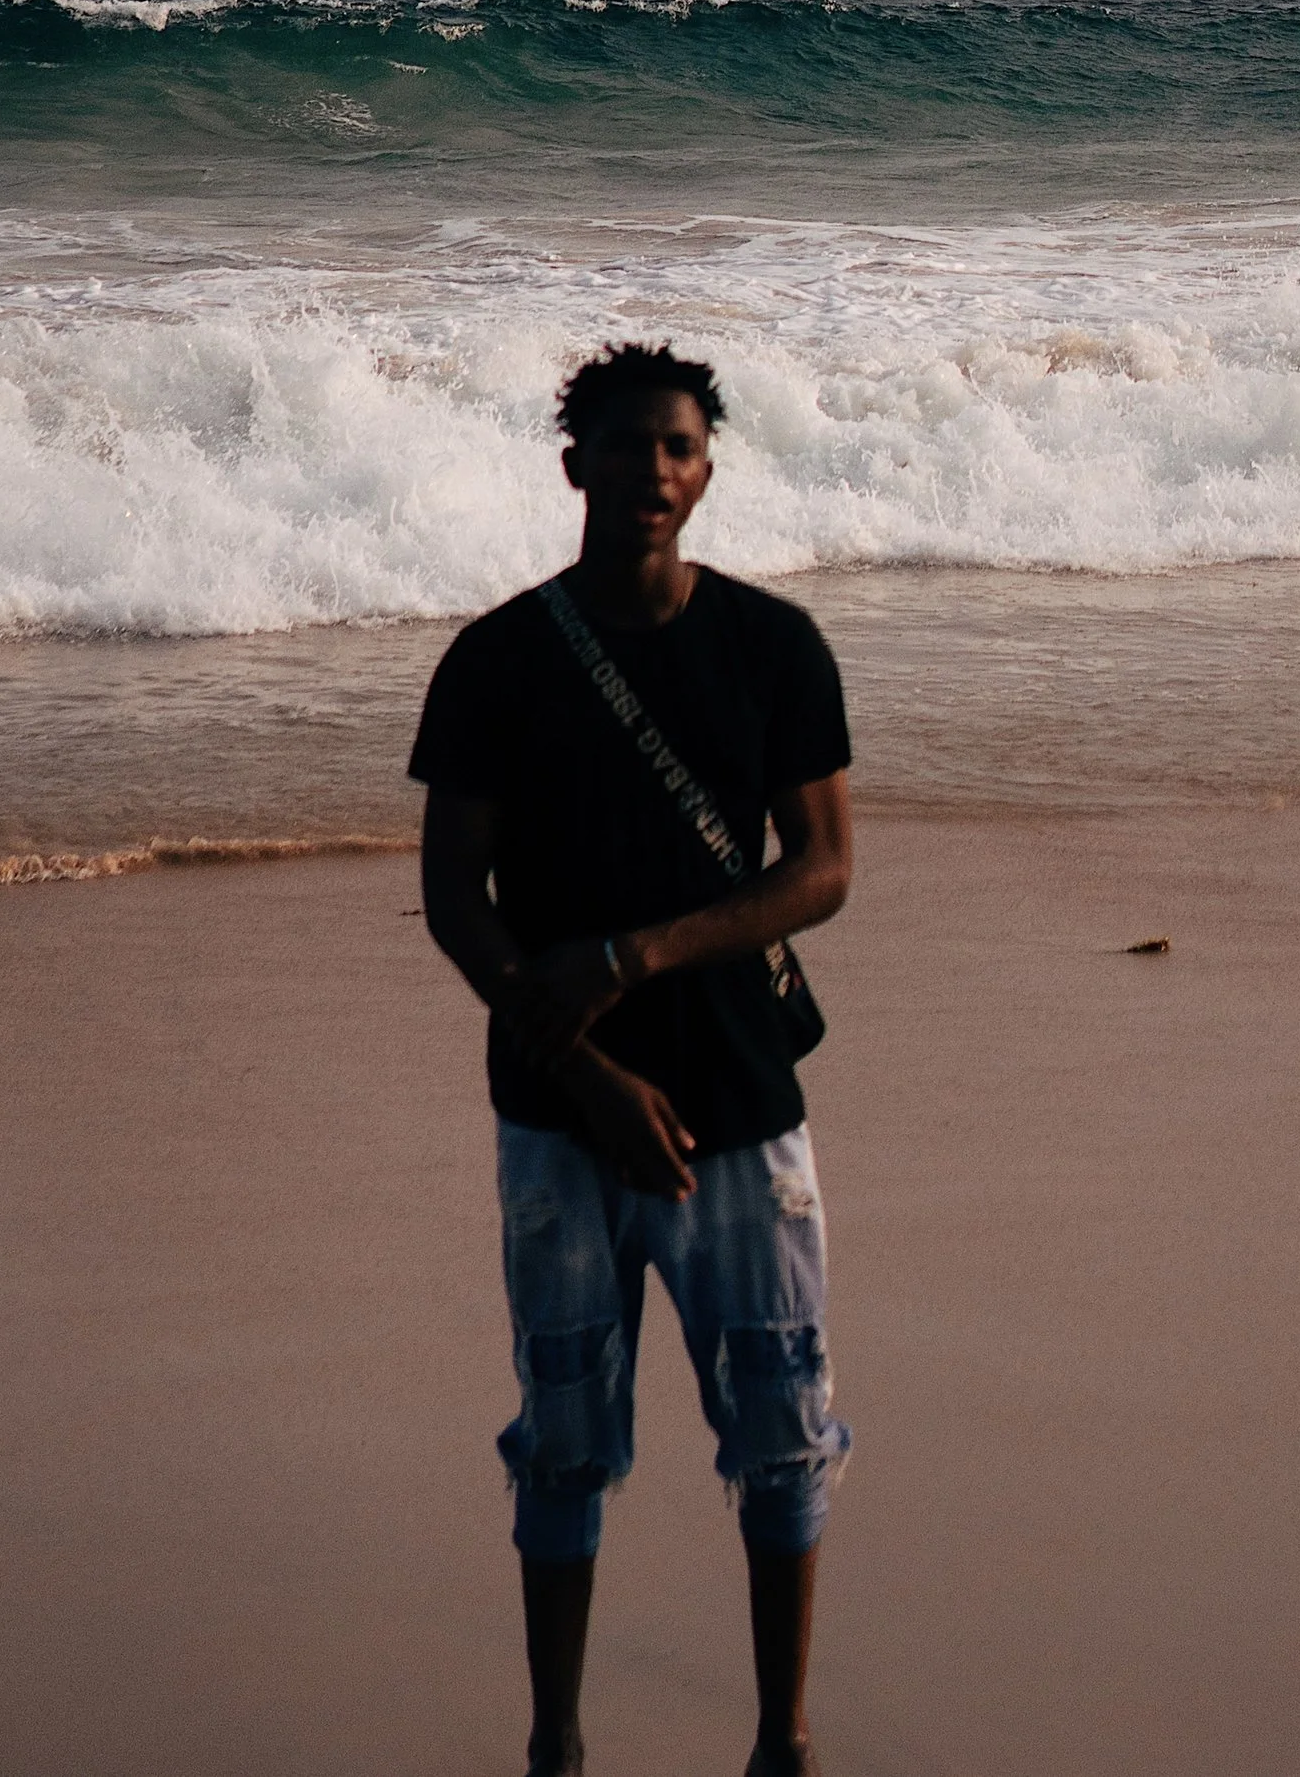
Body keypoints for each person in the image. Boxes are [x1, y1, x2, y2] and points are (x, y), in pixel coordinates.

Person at [410, 343, 855, 1777]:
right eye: (624, 447)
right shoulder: (496, 660)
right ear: (573, 467)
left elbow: (826, 867)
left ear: (707, 468)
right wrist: (593, 1076)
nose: (652, 472)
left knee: (783, 1437)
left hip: (739, 1105)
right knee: (562, 1441)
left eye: (677, 447)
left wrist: (637, 955)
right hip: (557, 1117)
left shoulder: (774, 646)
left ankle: (781, 1741)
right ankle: (556, 1742)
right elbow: (452, 900)